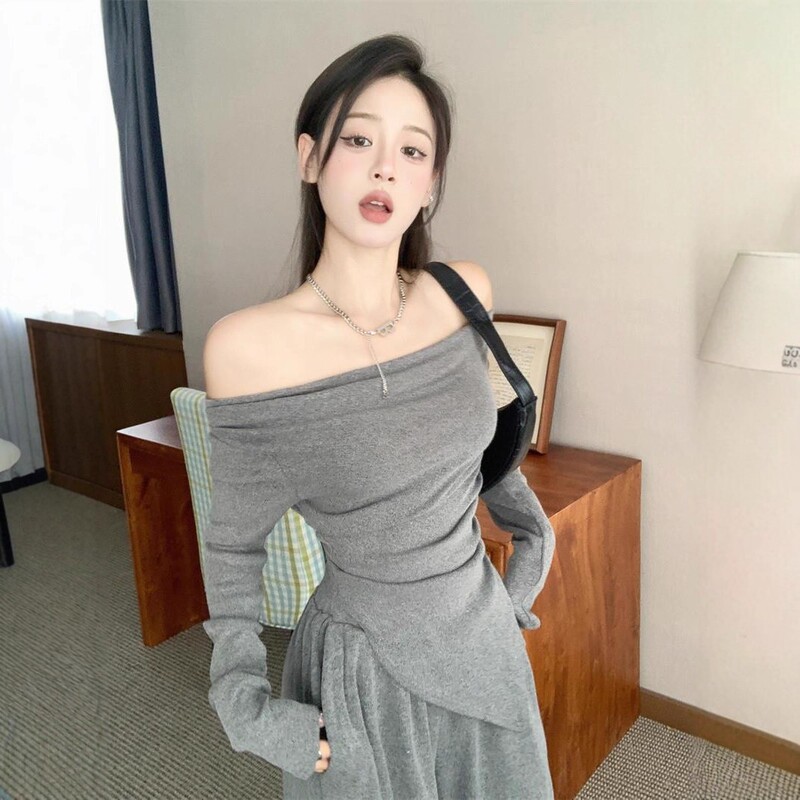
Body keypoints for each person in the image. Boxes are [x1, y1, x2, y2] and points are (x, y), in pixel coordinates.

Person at [202, 33, 556, 799]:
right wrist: (244, 706)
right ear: (309, 158)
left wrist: (529, 553)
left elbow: (479, 452)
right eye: (359, 139)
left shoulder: (462, 292)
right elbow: (232, 547)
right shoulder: (247, 348)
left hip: (483, 641)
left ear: (430, 184)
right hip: (365, 672)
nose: (385, 167)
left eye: (412, 150)